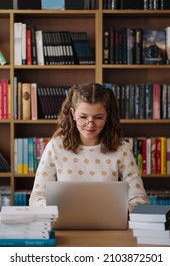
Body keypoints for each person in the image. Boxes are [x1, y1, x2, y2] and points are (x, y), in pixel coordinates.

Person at [29, 83, 149, 211]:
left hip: (109, 226)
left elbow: (140, 198)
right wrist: (56, 211)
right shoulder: (55, 147)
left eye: (98, 117)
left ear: (107, 115)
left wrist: (118, 211)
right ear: (73, 114)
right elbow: (37, 197)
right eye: (83, 117)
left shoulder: (121, 149)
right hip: (65, 225)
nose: (90, 124)